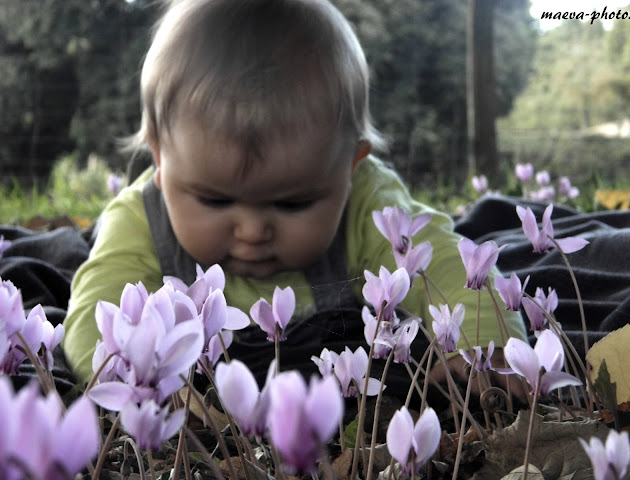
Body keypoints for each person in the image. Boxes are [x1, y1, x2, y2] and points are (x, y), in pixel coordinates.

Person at [62, 0, 527, 388]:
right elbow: (92, 316)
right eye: (215, 200)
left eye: (292, 203)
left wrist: (487, 346)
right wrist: (139, 383)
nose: (252, 230)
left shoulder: (367, 200)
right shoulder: (141, 218)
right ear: (160, 161)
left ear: (350, 168)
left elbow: (448, 266)